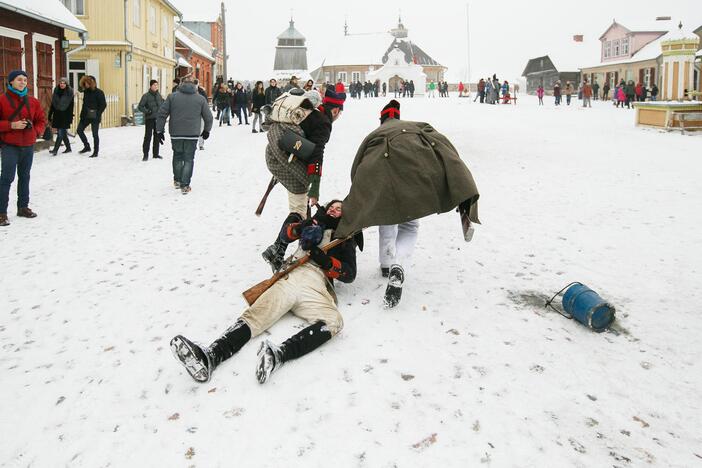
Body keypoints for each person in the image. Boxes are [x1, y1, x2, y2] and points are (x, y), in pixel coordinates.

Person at [170, 199, 358, 384]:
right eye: (331, 207)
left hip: (316, 283)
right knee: (254, 316)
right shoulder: (314, 223)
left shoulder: (345, 239)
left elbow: (349, 274)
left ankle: (278, 355)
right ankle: (211, 356)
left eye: (339, 209)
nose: (334, 210)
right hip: (291, 275)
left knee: (334, 321)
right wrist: (301, 228)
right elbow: (286, 235)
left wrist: (326, 261)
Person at [261, 88, 346, 271]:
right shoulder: (323, 122)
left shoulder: (311, 114)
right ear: (335, 110)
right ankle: (277, 249)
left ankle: (286, 249)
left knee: (299, 208)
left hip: (275, 155)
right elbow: (316, 154)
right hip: (284, 160)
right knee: (300, 211)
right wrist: (315, 189)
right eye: (340, 113)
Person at [0, 70, 47, 226]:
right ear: (11, 82)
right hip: (10, 146)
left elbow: (41, 120)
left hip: (28, 145)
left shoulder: (33, 101)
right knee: (6, 179)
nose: (22, 82)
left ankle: (23, 207)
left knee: (25, 177)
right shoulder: (2, 100)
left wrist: (35, 131)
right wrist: (11, 125)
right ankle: (2, 212)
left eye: (25, 80)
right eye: (19, 79)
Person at [156, 77, 213, 194]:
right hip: (192, 134)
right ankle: (185, 185)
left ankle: (177, 180)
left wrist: (159, 130)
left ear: (181, 85)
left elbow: (162, 114)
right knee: (188, 159)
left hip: (176, 133)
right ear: (194, 86)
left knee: (177, 156)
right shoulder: (200, 99)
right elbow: (209, 117)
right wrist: (206, 130)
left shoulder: (172, 97)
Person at [76, 75, 106, 158]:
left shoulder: (99, 92)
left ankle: (95, 151)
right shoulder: (86, 91)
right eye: (85, 83)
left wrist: (98, 114)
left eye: (87, 83)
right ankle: (87, 146)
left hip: (95, 116)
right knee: (79, 130)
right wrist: (82, 114)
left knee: (95, 134)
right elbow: (83, 101)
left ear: (92, 83)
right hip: (85, 116)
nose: (86, 85)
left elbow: (103, 105)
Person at [137, 79, 164, 161]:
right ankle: (145, 155)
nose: (156, 86)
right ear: (150, 86)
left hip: (158, 119)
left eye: (157, 85)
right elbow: (140, 106)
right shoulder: (146, 96)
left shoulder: (159, 95)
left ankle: (156, 154)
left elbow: (162, 105)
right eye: (154, 85)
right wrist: (147, 111)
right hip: (150, 119)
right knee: (148, 137)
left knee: (157, 137)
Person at [48, 77, 74, 155]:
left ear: (66, 84)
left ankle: (55, 150)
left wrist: (70, 118)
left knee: (60, 133)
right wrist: (50, 115)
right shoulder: (56, 91)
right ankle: (68, 148)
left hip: (65, 116)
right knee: (63, 133)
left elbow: (71, 107)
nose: (62, 84)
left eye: (64, 83)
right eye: (61, 83)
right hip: (57, 115)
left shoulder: (69, 93)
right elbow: (52, 104)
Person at [193, 79, 208, 150]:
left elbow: (206, 101)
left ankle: (201, 144)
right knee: (193, 129)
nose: (195, 85)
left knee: (201, 128)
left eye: (196, 83)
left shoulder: (202, 91)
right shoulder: (189, 91)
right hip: (192, 113)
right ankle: (194, 144)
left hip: (201, 112)